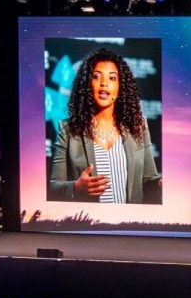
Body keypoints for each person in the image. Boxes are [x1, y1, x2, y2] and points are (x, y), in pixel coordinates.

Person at [48, 46, 161, 204]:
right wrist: (76, 188)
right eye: (96, 77)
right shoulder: (68, 130)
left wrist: (159, 184)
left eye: (112, 78)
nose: (104, 84)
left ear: (121, 87)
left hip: (129, 225)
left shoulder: (138, 126)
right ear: (87, 84)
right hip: (87, 225)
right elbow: (53, 188)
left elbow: (149, 180)